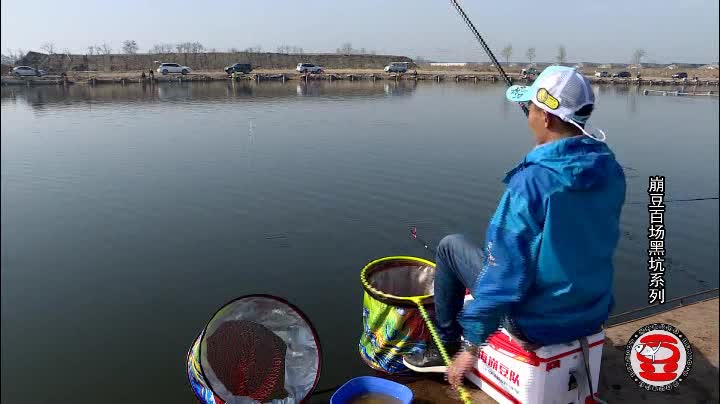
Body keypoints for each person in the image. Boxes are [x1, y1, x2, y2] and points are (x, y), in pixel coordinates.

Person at [403, 66, 626, 388]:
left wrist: (471, 347)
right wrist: (546, 150)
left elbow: (505, 275)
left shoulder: (532, 182)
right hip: (592, 312)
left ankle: (446, 346)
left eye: (531, 108)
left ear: (546, 118)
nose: (528, 115)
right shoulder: (610, 169)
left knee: (450, 246)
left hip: (536, 323)